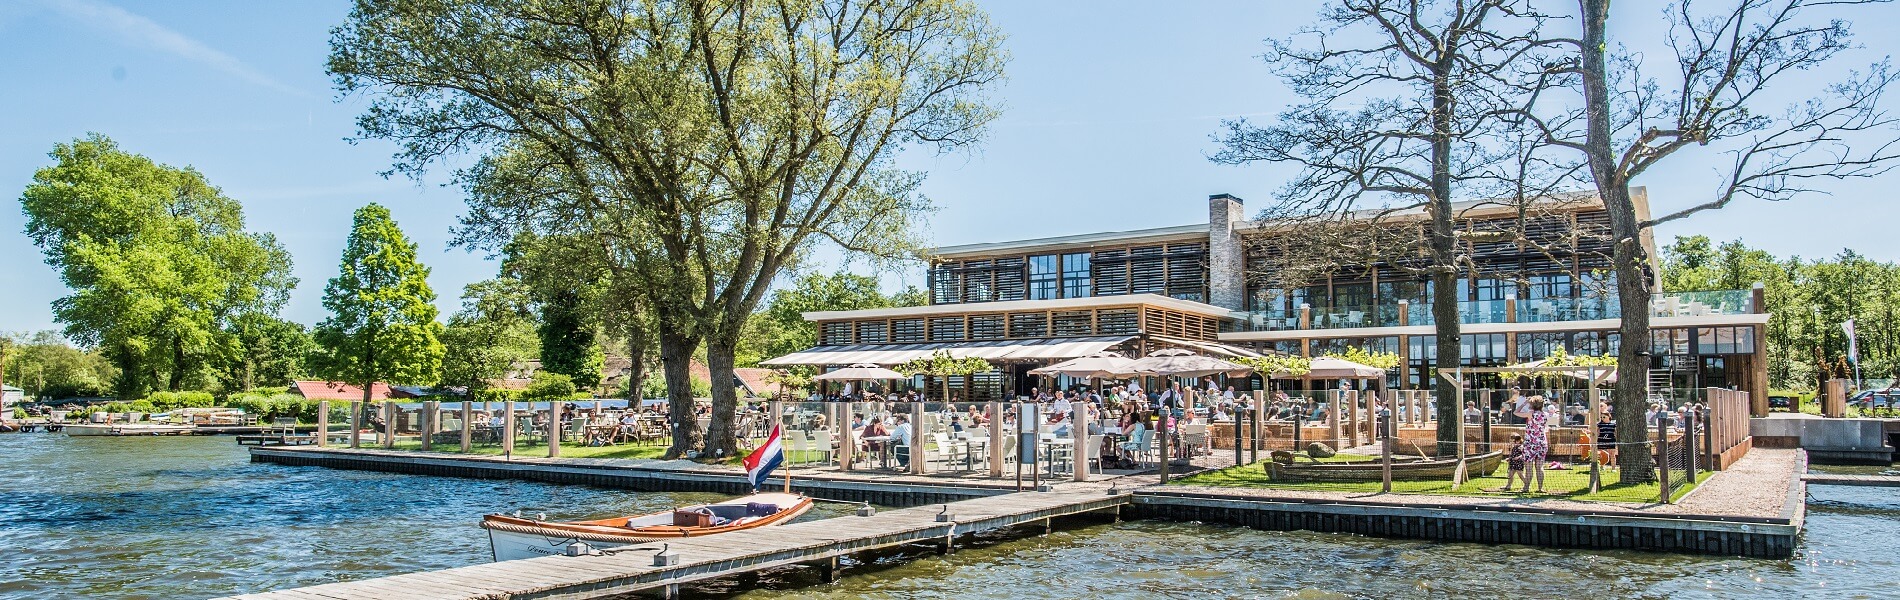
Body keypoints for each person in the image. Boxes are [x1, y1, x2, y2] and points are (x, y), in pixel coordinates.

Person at [1514, 396, 1550, 493]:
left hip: (1530, 443)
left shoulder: (1530, 414)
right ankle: (1540, 488)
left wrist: (1524, 403)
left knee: (1528, 468)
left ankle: (1526, 488)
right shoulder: (1545, 414)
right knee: (1539, 467)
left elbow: (1516, 412)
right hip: (1542, 443)